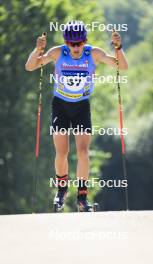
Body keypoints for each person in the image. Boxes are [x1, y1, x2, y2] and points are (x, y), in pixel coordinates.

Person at [25, 21, 128, 212]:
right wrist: (37, 49)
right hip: (60, 107)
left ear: (84, 41)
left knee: (82, 152)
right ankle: (62, 190)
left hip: (81, 107)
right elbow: (30, 66)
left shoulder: (93, 53)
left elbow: (122, 66)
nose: (75, 48)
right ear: (65, 42)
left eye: (78, 43)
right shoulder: (57, 52)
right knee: (62, 152)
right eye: (71, 44)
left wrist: (119, 48)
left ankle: (82, 196)